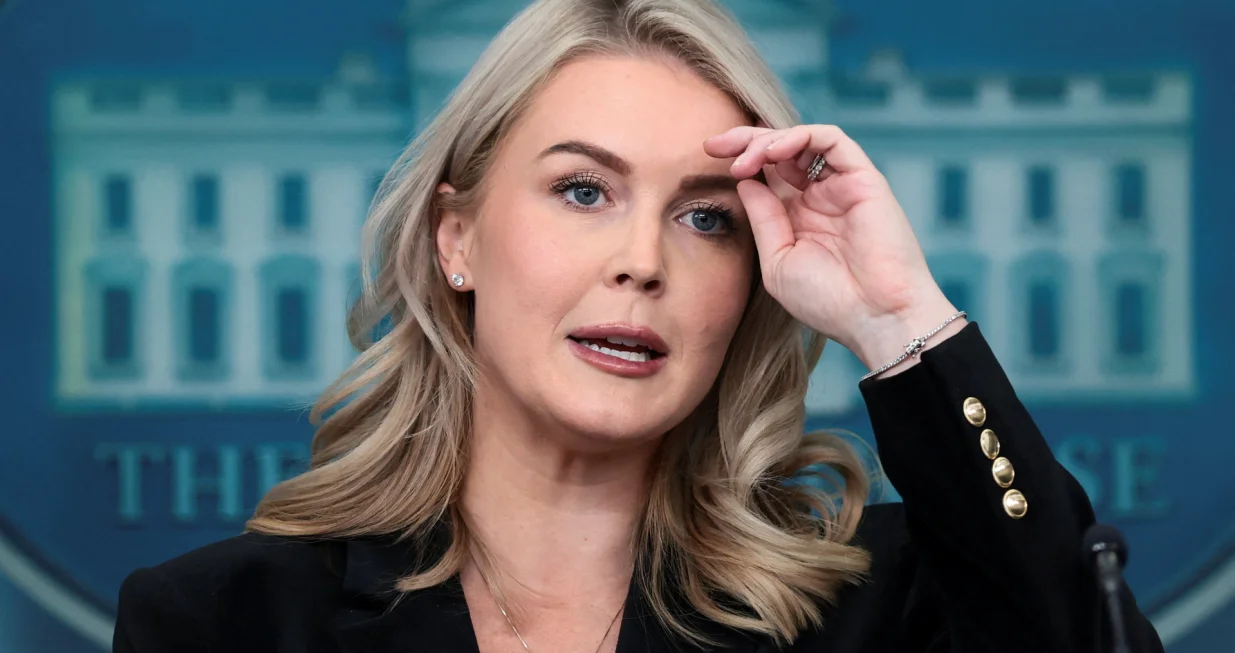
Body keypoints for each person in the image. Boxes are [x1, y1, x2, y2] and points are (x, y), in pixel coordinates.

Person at [112, 0, 1164, 651]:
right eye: (583, 191)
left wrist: (899, 318)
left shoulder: (876, 604)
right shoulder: (220, 621)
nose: (643, 260)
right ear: (456, 238)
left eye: (706, 217)